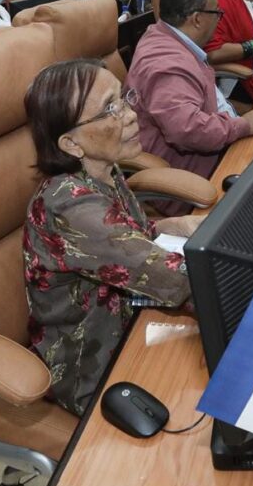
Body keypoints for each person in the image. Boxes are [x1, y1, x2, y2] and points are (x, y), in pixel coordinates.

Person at [23, 58, 202, 416]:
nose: (131, 115)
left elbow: (126, 237)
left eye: (122, 98)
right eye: (110, 109)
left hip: (133, 320)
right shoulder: (71, 208)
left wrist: (171, 225)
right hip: (93, 366)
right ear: (71, 144)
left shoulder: (102, 170)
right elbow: (182, 281)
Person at [125, 0, 253, 178]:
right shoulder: (166, 64)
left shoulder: (165, 35)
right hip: (197, 174)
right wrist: (244, 126)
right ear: (197, 19)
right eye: (217, 12)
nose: (219, 18)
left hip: (218, 142)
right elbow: (188, 130)